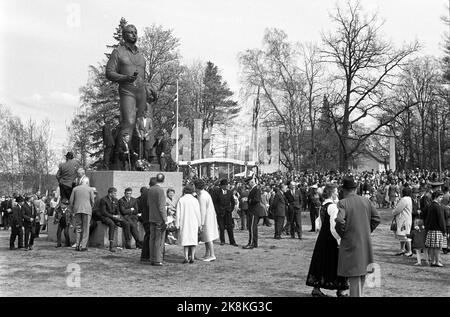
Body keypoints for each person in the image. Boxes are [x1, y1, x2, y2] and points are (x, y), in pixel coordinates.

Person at [105, 24, 156, 141]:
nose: (134, 34)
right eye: (130, 32)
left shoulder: (141, 57)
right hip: (127, 91)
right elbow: (109, 73)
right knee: (129, 122)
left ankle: (143, 157)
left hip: (141, 92)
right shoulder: (118, 52)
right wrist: (125, 78)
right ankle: (122, 155)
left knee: (144, 125)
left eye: (135, 32)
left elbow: (143, 77)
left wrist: (149, 87)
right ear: (124, 35)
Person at [334, 176, 381, 297]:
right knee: (362, 274)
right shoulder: (366, 201)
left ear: (344, 190)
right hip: (365, 242)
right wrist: (366, 230)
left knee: (354, 276)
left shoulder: (343, 202)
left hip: (351, 243)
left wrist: (344, 234)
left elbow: (339, 220)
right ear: (355, 189)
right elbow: (376, 219)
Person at [306, 183, 349, 297]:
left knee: (321, 261)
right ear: (331, 192)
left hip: (322, 237)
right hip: (331, 238)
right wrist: (339, 239)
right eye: (335, 191)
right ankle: (340, 290)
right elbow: (334, 226)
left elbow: (318, 222)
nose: (337, 193)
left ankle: (316, 288)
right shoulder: (332, 206)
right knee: (336, 263)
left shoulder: (323, 205)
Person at [99, 187, 132, 252]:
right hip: (106, 217)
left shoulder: (116, 200)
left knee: (126, 223)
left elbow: (117, 210)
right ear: (110, 193)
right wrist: (113, 216)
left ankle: (127, 243)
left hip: (114, 217)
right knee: (112, 224)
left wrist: (118, 216)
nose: (116, 194)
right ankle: (111, 245)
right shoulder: (103, 200)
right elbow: (103, 212)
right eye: (115, 193)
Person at [175, 185, 202, 264]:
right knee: (193, 240)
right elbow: (198, 213)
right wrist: (200, 224)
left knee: (185, 240)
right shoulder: (195, 200)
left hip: (184, 222)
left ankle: (186, 257)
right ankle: (192, 257)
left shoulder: (181, 200)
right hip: (194, 222)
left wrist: (177, 224)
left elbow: (178, 213)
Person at [194, 179, 219, 262]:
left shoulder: (202, 196)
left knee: (208, 237)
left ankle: (212, 255)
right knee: (206, 237)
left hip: (207, 219)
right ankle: (207, 254)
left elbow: (203, 211)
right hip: (209, 217)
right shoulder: (203, 194)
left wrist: (201, 223)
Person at [148, 173, 168, 266]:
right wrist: (165, 219)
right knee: (159, 240)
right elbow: (161, 207)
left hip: (152, 217)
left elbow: (149, 203)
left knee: (152, 238)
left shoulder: (150, 189)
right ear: (163, 180)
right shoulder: (160, 190)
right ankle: (158, 259)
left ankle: (152, 258)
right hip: (159, 219)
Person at [69, 177, 95, 251]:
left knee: (78, 227)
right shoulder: (90, 189)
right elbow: (92, 201)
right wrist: (91, 207)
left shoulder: (75, 189)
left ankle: (77, 245)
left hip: (77, 210)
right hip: (87, 210)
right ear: (87, 182)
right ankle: (83, 246)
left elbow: (71, 200)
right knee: (86, 228)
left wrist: (73, 208)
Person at [211, 179, 237, 246]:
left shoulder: (230, 192)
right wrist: (217, 211)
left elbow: (233, 202)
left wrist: (231, 209)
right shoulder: (217, 192)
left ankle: (232, 241)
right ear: (221, 186)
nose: (226, 186)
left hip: (228, 212)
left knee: (230, 227)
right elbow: (214, 203)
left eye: (227, 185)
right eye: (225, 185)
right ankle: (222, 240)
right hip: (220, 212)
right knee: (221, 227)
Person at [424, 190, 447, 267]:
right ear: (436, 197)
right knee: (437, 247)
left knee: (432, 247)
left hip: (430, 229)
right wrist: (444, 230)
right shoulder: (438, 206)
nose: (441, 199)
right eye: (440, 197)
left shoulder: (430, 205)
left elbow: (426, 218)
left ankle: (433, 261)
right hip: (437, 229)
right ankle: (437, 261)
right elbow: (441, 220)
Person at [244, 177, 265, 249]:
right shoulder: (254, 189)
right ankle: (254, 243)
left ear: (251, 182)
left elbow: (257, 199)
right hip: (252, 211)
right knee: (253, 228)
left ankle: (251, 243)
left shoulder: (256, 189)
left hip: (254, 211)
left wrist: (249, 200)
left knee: (252, 228)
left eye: (248, 183)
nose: (247, 185)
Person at [392, 186, 413, 257]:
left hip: (403, 220)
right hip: (406, 219)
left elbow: (398, 209)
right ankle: (402, 249)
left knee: (404, 235)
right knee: (402, 234)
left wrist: (393, 212)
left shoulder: (404, 199)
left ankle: (409, 251)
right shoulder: (409, 199)